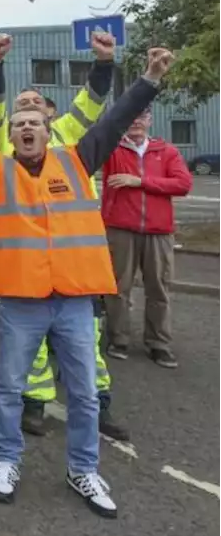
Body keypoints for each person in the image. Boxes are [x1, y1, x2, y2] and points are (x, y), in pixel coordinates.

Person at [0, 47, 173, 518]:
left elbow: (114, 122)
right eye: (19, 124)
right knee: (9, 391)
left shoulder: (77, 159)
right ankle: (7, 462)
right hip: (21, 304)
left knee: (87, 395)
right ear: (11, 136)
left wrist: (149, 79)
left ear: (49, 131)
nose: (27, 128)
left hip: (74, 300)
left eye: (35, 122)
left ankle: (83, 470)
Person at [0, 32, 128, 441]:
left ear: (49, 116)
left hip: (76, 263)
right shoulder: (2, 150)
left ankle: (101, 405)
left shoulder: (69, 139)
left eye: (35, 106)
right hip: (26, 265)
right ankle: (35, 403)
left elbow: (93, 103)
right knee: (33, 349)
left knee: (89, 343)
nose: (27, 111)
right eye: (20, 108)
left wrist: (104, 63)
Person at [101, 108, 192, 367]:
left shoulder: (166, 151)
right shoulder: (112, 149)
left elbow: (183, 184)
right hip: (120, 229)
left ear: (150, 120)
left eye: (141, 117)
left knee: (159, 289)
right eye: (130, 117)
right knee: (118, 288)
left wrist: (139, 181)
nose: (136, 122)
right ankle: (118, 339)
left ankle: (159, 343)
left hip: (159, 232)